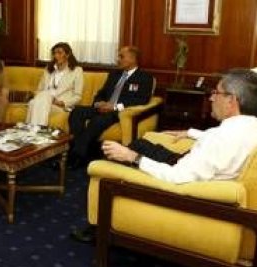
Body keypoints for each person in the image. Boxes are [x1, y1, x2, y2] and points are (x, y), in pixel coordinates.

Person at [71, 68, 257, 243]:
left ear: (232, 100)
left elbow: (176, 178)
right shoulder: (248, 126)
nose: (211, 98)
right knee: (141, 143)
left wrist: (133, 157)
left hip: (179, 177)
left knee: (116, 157)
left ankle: (97, 227)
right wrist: (191, 132)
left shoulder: (221, 139)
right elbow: (218, 144)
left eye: (216, 93)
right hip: (190, 164)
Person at [67, 46, 153, 167]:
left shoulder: (144, 77)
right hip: (103, 107)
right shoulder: (114, 74)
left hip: (118, 112)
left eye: (121, 56)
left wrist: (115, 107)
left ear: (133, 59)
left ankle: (76, 156)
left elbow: (142, 100)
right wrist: (98, 103)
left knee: (97, 121)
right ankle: (81, 151)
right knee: (77, 111)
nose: (118, 59)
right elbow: (101, 93)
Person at [26, 42, 83, 126]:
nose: (56, 56)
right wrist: (40, 95)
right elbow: (39, 90)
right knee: (40, 99)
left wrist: (62, 103)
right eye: (54, 53)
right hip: (44, 100)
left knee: (33, 103)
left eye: (59, 53)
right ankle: (38, 130)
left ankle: (32, 130)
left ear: (67, 55)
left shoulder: (77, 70)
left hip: (59, 104)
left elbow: (78, 96)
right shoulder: (48, 69)